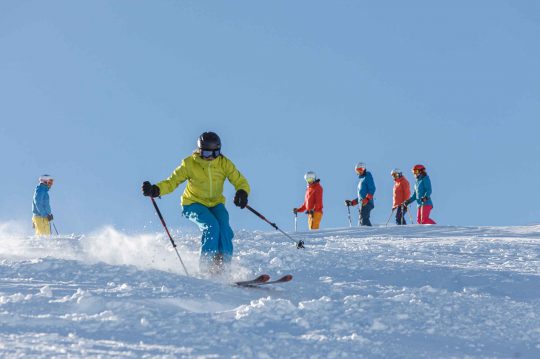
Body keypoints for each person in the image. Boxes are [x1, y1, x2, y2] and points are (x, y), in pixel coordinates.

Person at [141, 131, 250, 273]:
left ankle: (223, 267)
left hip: (216, 204)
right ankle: (206, 267)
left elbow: (239, 180)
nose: (210, 157)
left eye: (214, 153)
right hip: (193, 203)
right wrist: (156, 190)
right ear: (199, 151)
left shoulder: (224, 163)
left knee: (224, 228)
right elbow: (172, 181)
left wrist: (242, 191)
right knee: (211, 226)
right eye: (206, 154)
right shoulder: (189, 164)